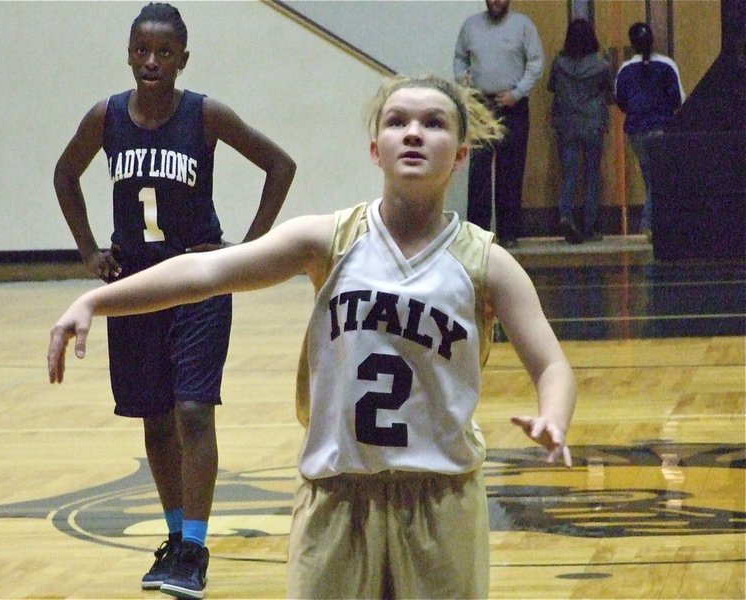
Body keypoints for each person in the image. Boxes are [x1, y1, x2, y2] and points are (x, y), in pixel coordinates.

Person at [49, 74, 576, 599]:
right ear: (376, 148)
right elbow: (205, 272)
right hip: (335, 495)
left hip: (441, 498)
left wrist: (554, 413)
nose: (413, 133)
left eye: (433, 123)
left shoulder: (486, 263)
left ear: (460, 155)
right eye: (398, 122)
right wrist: (95, 300)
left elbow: (551, 365)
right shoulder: (328, 240)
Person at [52, 3, 296, 598]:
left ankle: (195, 546)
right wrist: (89, 252)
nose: (152, 61)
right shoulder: (106, 117)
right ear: (129, 53)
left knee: (192, 411)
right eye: (142, 49)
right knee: (156, 419)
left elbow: (279, 165)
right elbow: (65, 175)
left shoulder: (204, 114)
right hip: (134, 285)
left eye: (165, 52)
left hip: (197, 280)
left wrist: (247, 249)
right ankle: (172, 539)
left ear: (184, 58)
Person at [453, 0, 545, 248]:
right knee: (479, 171)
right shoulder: (470, 26)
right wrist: (462, 81)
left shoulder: (523, 26)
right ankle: (477, 234)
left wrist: (518, 93)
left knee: (511, 171)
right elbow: (460, 58)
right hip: (480, 105)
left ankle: (509, 234)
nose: (495, 1)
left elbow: (536, 62)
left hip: (512, 106)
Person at [615, 21, 684, 242]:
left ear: (632, 44)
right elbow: (677, 99)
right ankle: (650, 222)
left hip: (636, 130)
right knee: (659, 178)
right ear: (652, 41)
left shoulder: (625, 70)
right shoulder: (666, 65)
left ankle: (653, 222)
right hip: (661, 127)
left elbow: (622, 102)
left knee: (649, 176)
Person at [548, 18, 613, 244]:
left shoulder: (559, 63)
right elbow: (609, 91)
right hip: (593, 123)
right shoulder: (602, 64)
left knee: (569, 173)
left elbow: (551, 87)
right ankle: (590, 226)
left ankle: (565, 215)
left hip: (566, 123)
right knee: (592, 174)